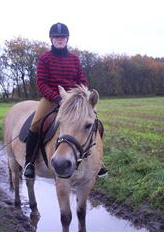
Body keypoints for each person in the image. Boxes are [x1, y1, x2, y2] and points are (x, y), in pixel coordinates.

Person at [23, 22, 108, 179]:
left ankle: (98, 162)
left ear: (67, 39)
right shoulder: (45, 58)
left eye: (62, 37)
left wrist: (78, 95)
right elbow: (41, 83)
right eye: (56, 37)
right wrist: (56, 98)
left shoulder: (74, 59)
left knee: (96, 124)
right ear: (51, 39)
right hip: (51, 98)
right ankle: (30, 163)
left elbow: (82, 80)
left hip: (74, 101)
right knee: (36, 125)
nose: (60, 40)